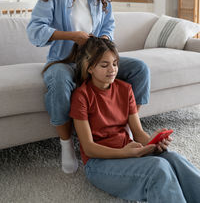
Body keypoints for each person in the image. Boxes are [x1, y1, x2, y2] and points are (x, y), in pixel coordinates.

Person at [26, 0, 150, 174]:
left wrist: (103, 37)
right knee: (60, 80)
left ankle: (128, 130)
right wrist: (72, 36)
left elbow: (109, 25)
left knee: (139, 69)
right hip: (63, 61)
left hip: (95, 61)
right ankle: (66, 146)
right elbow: (35, 31)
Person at [70, 36, 200, 203]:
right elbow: (89, 148)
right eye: (104, 65)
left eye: (115, 64)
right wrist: (123, 153)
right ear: (89, 68)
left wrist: (154, 144)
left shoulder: (125, 89)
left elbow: (138, 132)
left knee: (173, 158)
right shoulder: (81, 96)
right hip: (99, 164)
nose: (112, 69)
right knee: (158, 169)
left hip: (128, 151)